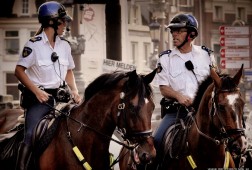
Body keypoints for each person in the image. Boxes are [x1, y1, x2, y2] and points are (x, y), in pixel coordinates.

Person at [14, 1, 81, 170]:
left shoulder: (65, 46)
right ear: (51, 22)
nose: (65, 24)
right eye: (62, 21)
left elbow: (69, 71)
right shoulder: (33, 45)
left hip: (62, 99)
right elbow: (19, 71)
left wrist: (74, 90)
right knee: (30, 135)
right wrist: (36, 92)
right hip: (40, 101)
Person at [152, 13, 217, 168]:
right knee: (157, 142)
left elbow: (216, 83)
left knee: (231, 139)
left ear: (191, 34)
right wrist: (178, 96)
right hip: (176, 113)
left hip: (204, 113)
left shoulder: (207, 55)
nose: (174, 34)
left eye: (179, 31)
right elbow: (163, 87)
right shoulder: (165, 58)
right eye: (173, 31)